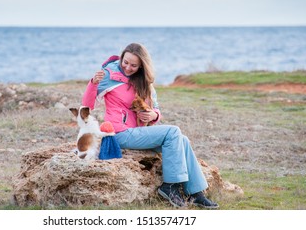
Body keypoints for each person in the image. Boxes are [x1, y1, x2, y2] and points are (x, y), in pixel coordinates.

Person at [82, 43, 219, 209]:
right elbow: (87, 105)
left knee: (182, 140)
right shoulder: (108, 74)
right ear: (122, 57)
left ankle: (196, 193)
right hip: (119, 133)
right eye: (125, 62)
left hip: (139, 132)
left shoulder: (145, 83)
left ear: (141, 66)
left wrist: (153, 115)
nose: (127, 67)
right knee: (173, 131)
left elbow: (156, 110)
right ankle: (170, 186)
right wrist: (93, 83)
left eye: (133, 65)